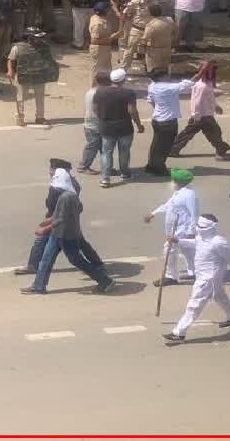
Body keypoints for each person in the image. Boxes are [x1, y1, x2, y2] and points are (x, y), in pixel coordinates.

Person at [21, 163, 115, 295]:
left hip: (66, 236)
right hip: (58, 234)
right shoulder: (69, 194)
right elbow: (62, 214)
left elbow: (61, 219)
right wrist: (48, 221)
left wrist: (44, 229)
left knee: (77, 260)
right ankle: (38, 285)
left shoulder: (66, 197)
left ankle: (105, 281)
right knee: (47, 259)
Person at [162, 215, 230, 343]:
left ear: (212, 227)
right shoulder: (201, 237)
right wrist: (177, 240)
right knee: (219, 297)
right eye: (198, 226)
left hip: (208, 279)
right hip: (204, 276)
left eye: (202, 227)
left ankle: (179, 332)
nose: (199, 229)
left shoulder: (219, 243)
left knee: (194, 305)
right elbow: (194, 242)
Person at [144, 168, 200, 285]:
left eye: (173, 180)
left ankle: (171, 276)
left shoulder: (189, 195)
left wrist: (191, 231)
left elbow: (194, 214)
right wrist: (153, 213)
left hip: (182, 229)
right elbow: (167, 205)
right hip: (174, 229)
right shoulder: (178, 193)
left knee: (169, 250)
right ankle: (194, 273)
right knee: (188, 251)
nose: (172, 182)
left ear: (180, 182)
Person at [170, 60, 230, 159]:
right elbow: (197, 103)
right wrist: (196, 116)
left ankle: (173, 149)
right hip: (202, 116)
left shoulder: (207, 83)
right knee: (214, 133)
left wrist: (216, 106)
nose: (212, 73)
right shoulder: (202, 86)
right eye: (210, 71)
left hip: (204, 114)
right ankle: (220, 152)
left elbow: (210, 98)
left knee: (189, 133)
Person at [92, 69, 145, 188]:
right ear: (123, 80)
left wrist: (103, 119)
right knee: (124, 151)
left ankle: (105, 178)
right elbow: (132, 111)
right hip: (125, 128)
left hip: (107, 128)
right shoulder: (128, 93)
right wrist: (139, 125)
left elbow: (95, 109)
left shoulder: (100, 92)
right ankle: (125, 174)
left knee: (106, 153)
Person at [144, 70, 195, 176]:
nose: (169, 76)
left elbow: (151, 100)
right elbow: (190, 83)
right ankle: (159, 168)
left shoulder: (152, 86)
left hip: (157, 120)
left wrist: (159, 110)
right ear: (161, 77)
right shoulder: (168, 87)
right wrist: (203, 70)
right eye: (166, 75)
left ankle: (151, 165)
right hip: (168, 122)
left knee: (156, 145)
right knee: (164, 147)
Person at [6, 28, 59, 127]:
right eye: (37, 37)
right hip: (23, 76)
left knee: (40, 97)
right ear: (30, 37)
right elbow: (10, 59)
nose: (39, 39)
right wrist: (10, 70)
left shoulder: (44, 47)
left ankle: (40, 117)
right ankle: (20, 117)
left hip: (39, 76)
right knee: (20, 97)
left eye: (40, 37)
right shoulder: (18, 48)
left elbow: (49, 60)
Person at [77, 73, 110, 175]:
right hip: (95, 124)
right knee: (93, 147)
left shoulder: (91, 91)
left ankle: (106, 167)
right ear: (106, 82)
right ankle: (83, 167)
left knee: (102, 148)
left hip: (91, 124)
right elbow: (97, 110)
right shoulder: (98, 93)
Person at [141, 4, 178, 74]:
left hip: (154, 50)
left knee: (153, 70)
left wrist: (142, 48)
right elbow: (176, 32)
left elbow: (144, 40)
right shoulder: (170, 20)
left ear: (150, 12)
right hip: (167, 48)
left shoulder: (151, 25)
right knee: (164, 68)